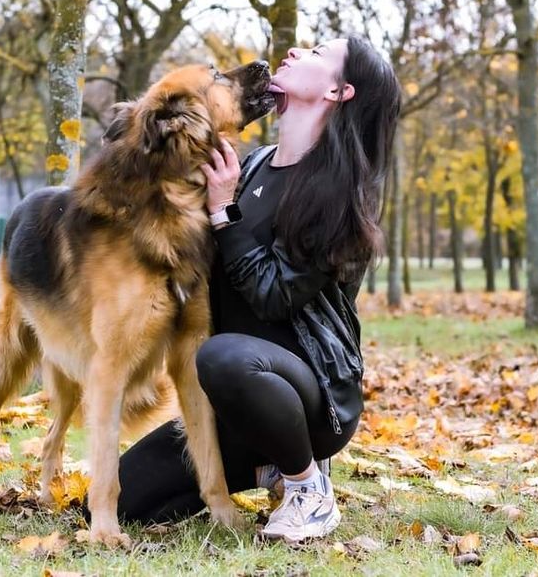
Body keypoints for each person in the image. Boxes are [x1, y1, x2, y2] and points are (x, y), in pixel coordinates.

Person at [100, 36, 401, 543]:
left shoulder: (340, 192)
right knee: (127, 502)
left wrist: (224, 210)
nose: (296, 52)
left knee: (224, 356)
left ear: (338, 91)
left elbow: (273, 295)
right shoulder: (254, 164)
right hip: (232, 405)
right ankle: (266, 470)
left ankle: (306, 485)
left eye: (316, 54)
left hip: (310, 399)